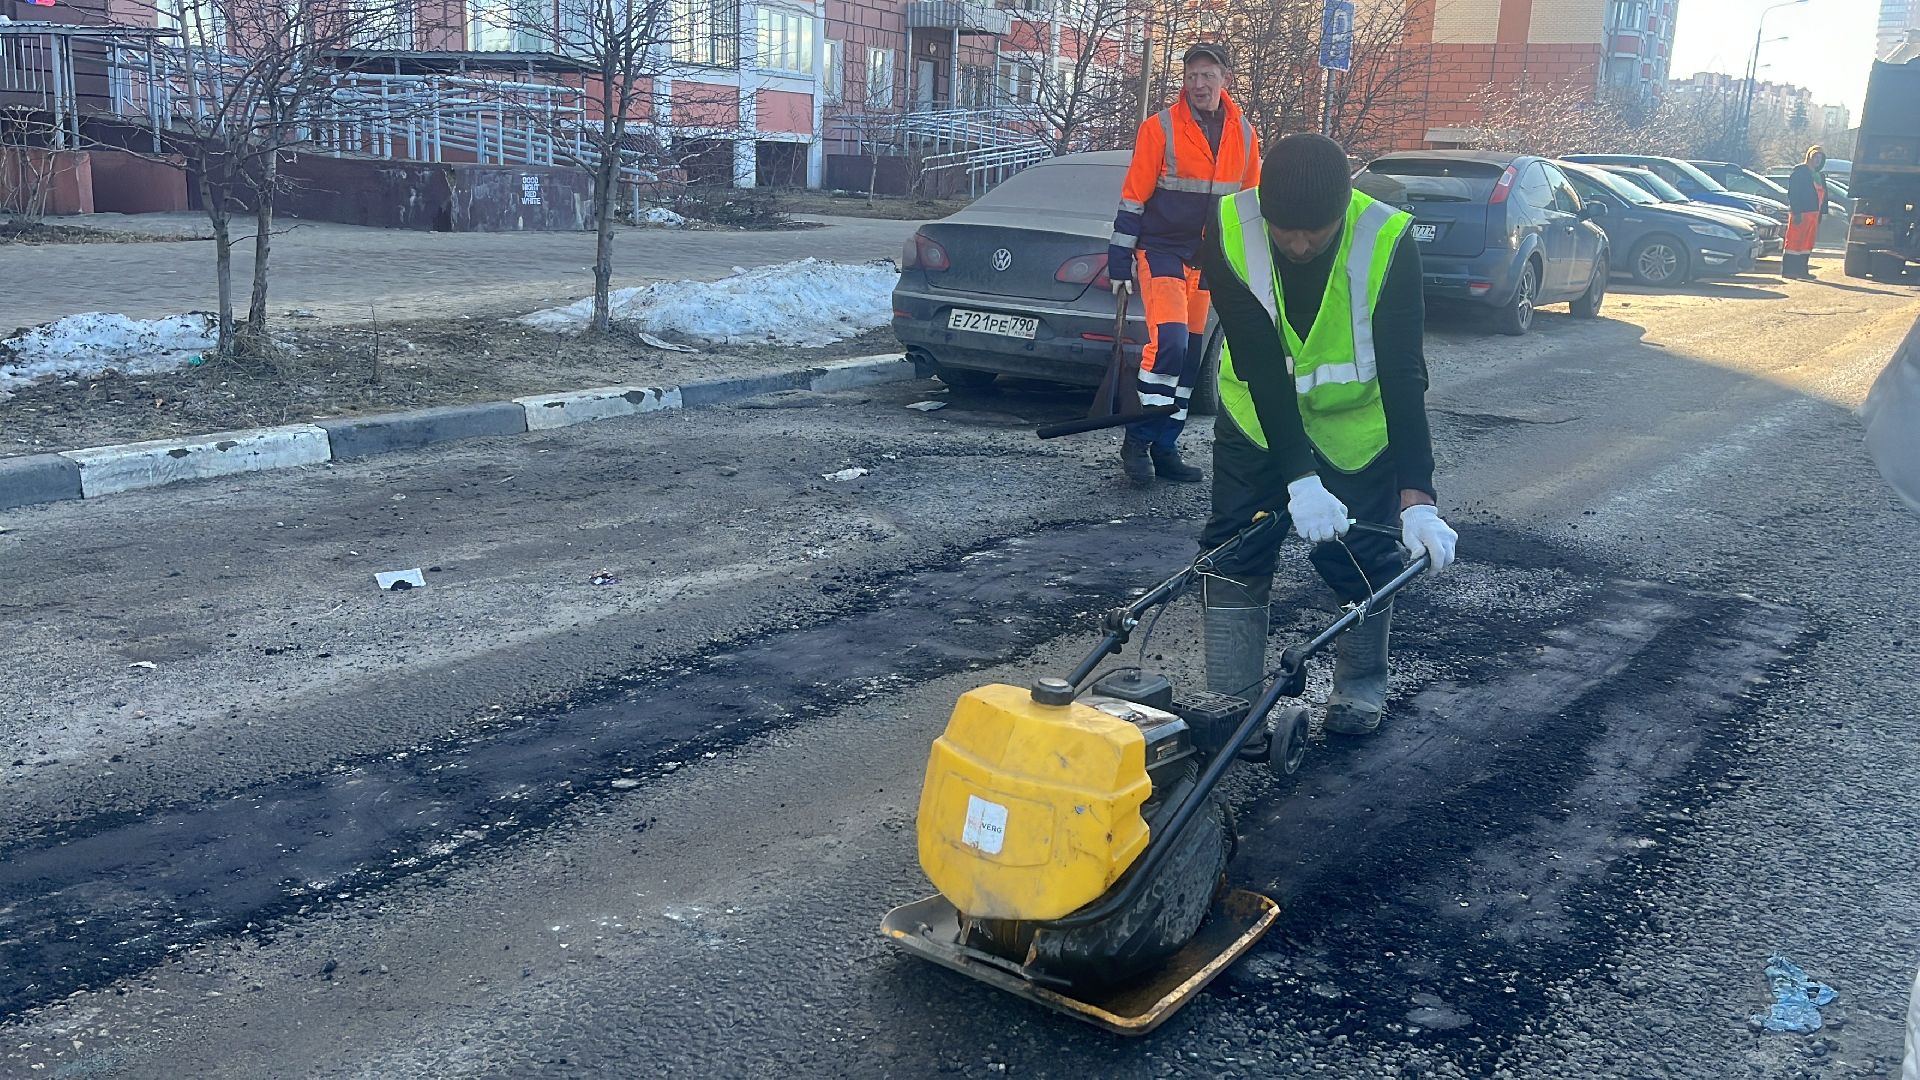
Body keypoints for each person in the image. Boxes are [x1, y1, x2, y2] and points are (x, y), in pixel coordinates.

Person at [1194, 132, 1457, 735]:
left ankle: (1359, 688)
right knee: (1234, 549)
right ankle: (1230, 702)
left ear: (1343, 210)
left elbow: (1403, 371)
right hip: (1258, 413)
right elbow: (1261, 365)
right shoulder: (1231, 229)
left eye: (1315, 231)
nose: (1299, 244)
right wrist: (1299, 481)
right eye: (1285, 230)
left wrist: (1417, 495)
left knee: (1362, 551)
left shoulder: (1386, 240)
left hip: (1353, 423)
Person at [1106, 42, 1261, 485]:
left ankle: (1165, 446)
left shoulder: (1245, 134)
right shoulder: (1160, 128)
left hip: (1208, 261)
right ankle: (1138, 440)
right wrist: (1119, 263)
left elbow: (1249, 207)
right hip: (1161, 252)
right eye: (1192, 75)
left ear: (1225, 79)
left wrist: (1249, 267)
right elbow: (1133, 197)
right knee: (1169, 345)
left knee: (1190, 357)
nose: (1198, 84)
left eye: (1207, 75)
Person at [1784, 145, 1828, 280]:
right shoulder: (1799, 173)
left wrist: (1822, 213)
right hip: (1801, 214)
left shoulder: (1820, 176)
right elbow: (1793, 194)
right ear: (1809, 157)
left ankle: (1802, 271)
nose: (1818, 160)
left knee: (1807, 245)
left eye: (1820, 157)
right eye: (1815, 157)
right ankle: (1789, 271)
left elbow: (1824, 196)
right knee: (1793, 243)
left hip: (1814, 215)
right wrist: (1796, 212)